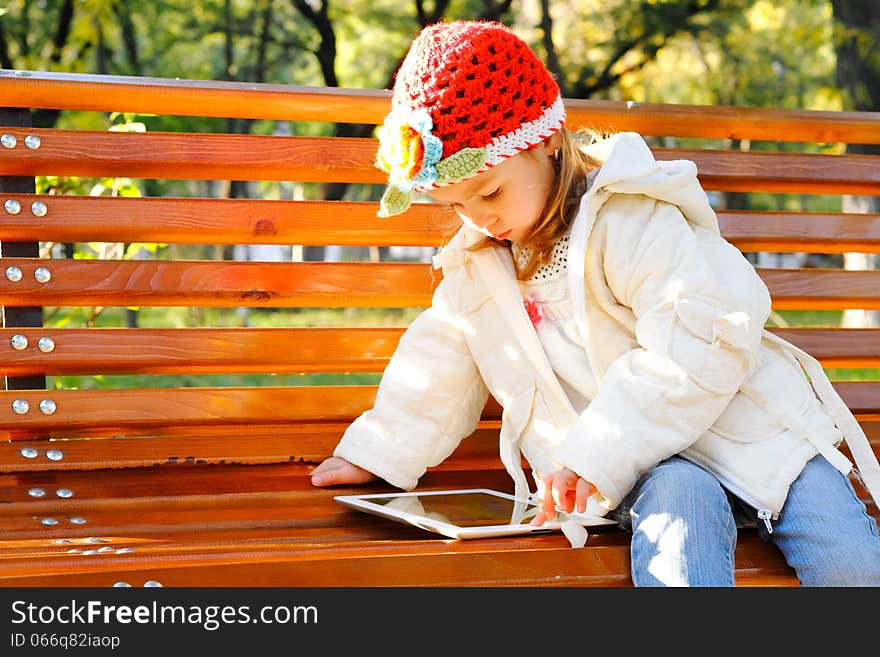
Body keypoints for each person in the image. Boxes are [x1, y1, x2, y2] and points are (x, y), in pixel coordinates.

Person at [310, 19, 880, 586]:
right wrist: (380, 453)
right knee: (678, 528)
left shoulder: (630, 221)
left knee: (850, 562)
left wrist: (597, 447)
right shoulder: (479, 267)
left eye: (490, 192)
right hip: (644, 463)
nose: (480, 217)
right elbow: (437, 367)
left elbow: (698, 340)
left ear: (549, 144)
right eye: (455, 205)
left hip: (752, 433)